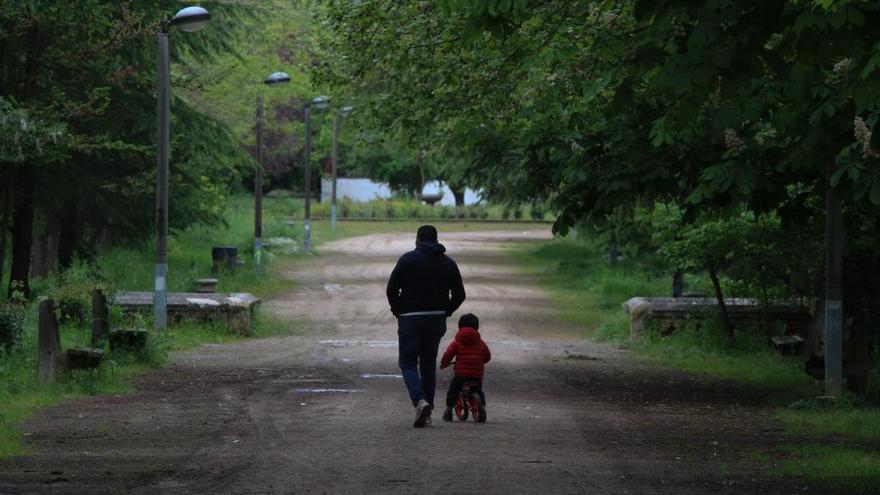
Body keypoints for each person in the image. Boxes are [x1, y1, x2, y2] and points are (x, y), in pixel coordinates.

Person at [386, 225, 466, 428]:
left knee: (408, 362)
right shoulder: (448, 263)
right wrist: (445, 311)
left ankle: (419, 401)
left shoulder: (408, 259)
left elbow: (391, 289)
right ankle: (427, 411)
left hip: (410, 318)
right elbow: (460, 295)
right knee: (428, 364)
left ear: (417, 240)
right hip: (435, 320)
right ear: (437, 240)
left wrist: (398, 311)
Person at [439, 313, 491, 423]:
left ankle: (449, 411)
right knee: (478, 390)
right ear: (476, 327)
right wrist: (480, 361)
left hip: (461, 375)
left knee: (453, 390)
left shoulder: (457, 342)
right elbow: (487, 357)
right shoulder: (481, 343)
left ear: (460, 327)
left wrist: (444, 364)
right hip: (477, 375)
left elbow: (448, 354)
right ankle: (482, 408)